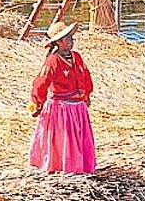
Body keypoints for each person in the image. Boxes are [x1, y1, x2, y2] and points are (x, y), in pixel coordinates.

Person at [28, 21, 96, 174]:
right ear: (59, 42)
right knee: (65, 138)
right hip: (62, 108)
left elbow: (86, 76)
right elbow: (41, 82)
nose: (72, 40)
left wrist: (86, 95)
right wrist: (38, 103)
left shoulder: (77, 57)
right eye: (68, 38)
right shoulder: (53, 60)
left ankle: (81, 166)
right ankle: (62, 166)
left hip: (78, 107)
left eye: (72, 37)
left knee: (78, 137)